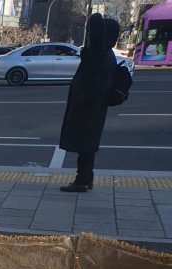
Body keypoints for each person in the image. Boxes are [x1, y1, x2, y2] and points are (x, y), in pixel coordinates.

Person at [58, 14, 119, 193]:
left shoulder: (102, 57)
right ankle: (85, 178)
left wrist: (81, 100)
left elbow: (98, 87)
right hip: (91, 109)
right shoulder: (99, 55)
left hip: (90, 109)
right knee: (86, 145)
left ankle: (82, 180)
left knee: (86, 145)